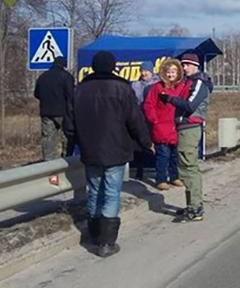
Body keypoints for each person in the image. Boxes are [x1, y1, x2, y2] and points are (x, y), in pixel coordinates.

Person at [70, 51, 153, 258]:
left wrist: (77, 140)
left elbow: (69, 124)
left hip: (90, 149)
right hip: (116, 148)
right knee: (111, 192)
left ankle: (93, 233)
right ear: (113, 67)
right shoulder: (123, 89)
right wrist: (146, 142)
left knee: (95, 190)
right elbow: (135, 120)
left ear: (94, 67)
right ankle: (107, 242)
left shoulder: (79, 90)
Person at [164, 52, 212, 222]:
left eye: (187, 65)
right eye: (182, 65)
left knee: (189, 166)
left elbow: (190, 105)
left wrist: (170, 99)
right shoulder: (189, 82)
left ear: (195, 65)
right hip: (185, 126)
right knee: (185, 166)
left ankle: (195, 207)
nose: (184, 68)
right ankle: (192, 204)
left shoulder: (199, 82)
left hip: (190, 126)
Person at [143, 59, 188, 191]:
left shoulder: (182, 87)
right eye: (168, 72)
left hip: (176, 125)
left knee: (175, 154)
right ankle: (161, 179)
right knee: (163, 155)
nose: (170, 75)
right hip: (161, 126)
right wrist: (154, 120)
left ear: (178, 72)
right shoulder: (157, 87)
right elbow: (148, 105)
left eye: (173, 72)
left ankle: (174, 176)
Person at [34, 56, 75, 160]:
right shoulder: (67, 77)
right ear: (64, 65)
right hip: (63, 113)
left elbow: (36, 94)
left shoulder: (42, 77)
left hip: (46, 113)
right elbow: (71, 96)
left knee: (48, 139)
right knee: (66, 138)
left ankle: (48, 163)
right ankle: (67, 160)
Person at [130, 61, 159, 180]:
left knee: (156, 144)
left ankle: (159, 170)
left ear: (152, 71)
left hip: (153, 117)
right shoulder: (135, 85)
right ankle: (139, 170)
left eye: (146, 70)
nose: (144, 73)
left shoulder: (157, 84)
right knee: (139, 145)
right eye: (142, 70)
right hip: (140, 117)